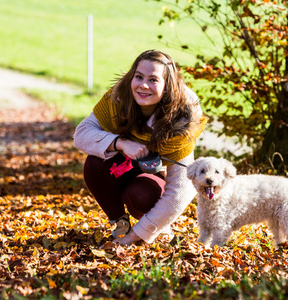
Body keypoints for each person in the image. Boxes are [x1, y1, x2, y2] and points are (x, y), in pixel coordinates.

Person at [73, 50, 207, 245]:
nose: (143, 85)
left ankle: (159, 226)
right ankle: (120, 224)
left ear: (167, 86)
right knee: (95, 163)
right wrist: (120, 143)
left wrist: (137, 235)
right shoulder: (117, 98)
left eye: (153, 80)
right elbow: (82, 134)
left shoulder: (183, 117)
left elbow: (181, 190)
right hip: (122, 161)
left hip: (153, 172)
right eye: (139, 77)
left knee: (141, 195)